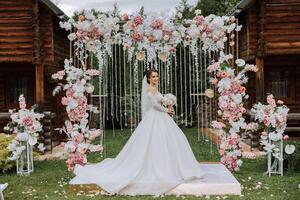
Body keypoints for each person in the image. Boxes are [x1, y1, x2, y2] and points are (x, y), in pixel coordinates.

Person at [70, 69, 205, 196]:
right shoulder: (149, 90)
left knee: (170, 140)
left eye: (157, 76)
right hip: (155, 116)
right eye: (153, 77)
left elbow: (160, 101)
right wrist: (167, 110)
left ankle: (170, 166)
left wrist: (168, 103)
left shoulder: (155, 88)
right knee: (154, 141)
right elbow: (154, 105)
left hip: (160, 117)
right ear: (148, 78)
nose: (156, 78)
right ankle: (157, 166)